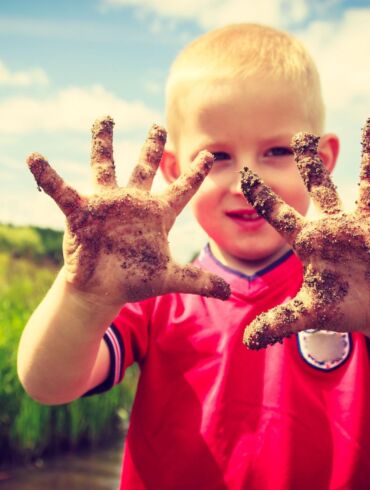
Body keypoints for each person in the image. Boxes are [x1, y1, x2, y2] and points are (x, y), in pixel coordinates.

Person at [17, 23, 370, 489]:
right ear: (173, 169)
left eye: (278, 150)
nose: (247, 181)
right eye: (217, 157)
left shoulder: (354, 291)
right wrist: (83, 297)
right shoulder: (147, 289)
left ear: (320, 161)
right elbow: (47, 384)